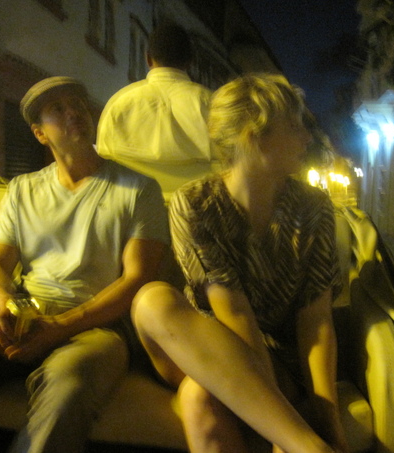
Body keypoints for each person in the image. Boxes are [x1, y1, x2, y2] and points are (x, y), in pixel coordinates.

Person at [0, 77, 169, 452]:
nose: (73, 113)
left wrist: (60, 327)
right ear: (39, 134)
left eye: (77, 105)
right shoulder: (23, 190)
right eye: (57, 109)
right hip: (27, 310)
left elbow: (137, 278)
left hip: (99, 326)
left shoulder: (139, 189)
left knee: (69, 385)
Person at [131, 74, 349, 453]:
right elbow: (234, 315)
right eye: (294, 126)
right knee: (152, 300)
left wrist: (327, 417)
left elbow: (316, 321)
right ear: (255, 137)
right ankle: (304, 446)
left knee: (199, 398)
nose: (307, 138)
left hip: (280, 361)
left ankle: (305, 443)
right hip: (204, 347)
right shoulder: (195, 203)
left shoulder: (313, 208)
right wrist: (282, 428)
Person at [96, 22, 214, 199]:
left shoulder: (120, 103)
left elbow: (104, 167)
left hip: (134, 209)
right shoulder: (213, 104)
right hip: (197, 208)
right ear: (190, 62)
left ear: (148, 58)